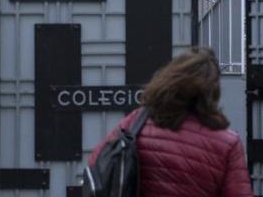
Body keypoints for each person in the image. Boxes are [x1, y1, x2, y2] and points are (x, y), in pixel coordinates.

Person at [89, 48, 253, 197]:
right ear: (212, 92)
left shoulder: (138, 121)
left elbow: (98, 162)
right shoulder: (228, 143)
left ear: (168, 80)